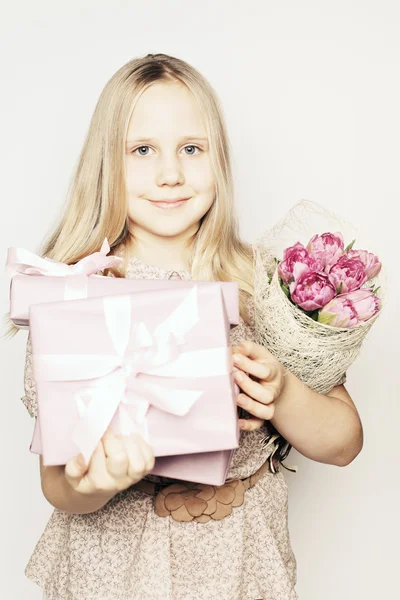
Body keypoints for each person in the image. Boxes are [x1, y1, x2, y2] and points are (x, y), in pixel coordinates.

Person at [20, 53, 362, 600]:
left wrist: (282, 392)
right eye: (142, 150)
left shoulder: (266, 286)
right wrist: (98, 481)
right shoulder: (80, 296)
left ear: (218, 160)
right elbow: (59, 489)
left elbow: (343, 443)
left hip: (242, 566)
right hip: (118, 574)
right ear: (107, 164)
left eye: (191, 148)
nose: (171, 173)